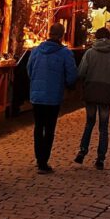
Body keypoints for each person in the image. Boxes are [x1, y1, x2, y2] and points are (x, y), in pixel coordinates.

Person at [27, 23, 78, 174]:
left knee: (38, 126)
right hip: (53, 95)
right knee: (49, 128)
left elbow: (29, 70)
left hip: (37, 95)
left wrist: (36, 82)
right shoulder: (65, 53)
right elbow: (71, 74)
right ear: (62, 35)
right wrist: (68, 84)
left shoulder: (36, 51)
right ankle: (44, 161)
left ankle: (39, 158)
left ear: (49, 33)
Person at [75, 28, 110, 170]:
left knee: (89, 123)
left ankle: (82, 151)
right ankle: (100, 158)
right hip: (106, 92)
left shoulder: (90, 53)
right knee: (103, 126)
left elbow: (81, 72)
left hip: (91, 90)